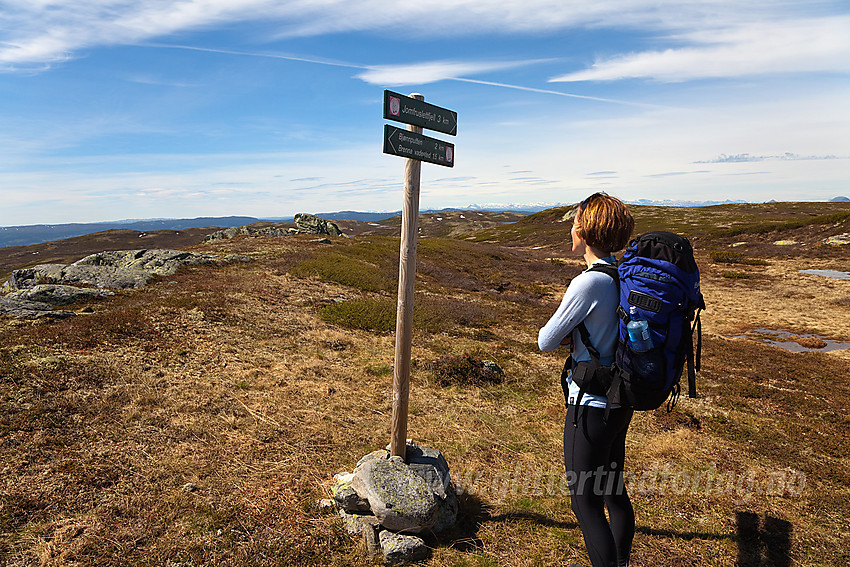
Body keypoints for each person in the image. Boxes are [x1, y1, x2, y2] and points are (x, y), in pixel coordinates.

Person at [538, 193, 636, 567]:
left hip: (590, 406)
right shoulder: (621, 274)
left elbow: (546, 340)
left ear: (586, 229)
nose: (570, 228)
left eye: (574, 221)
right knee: (614, 492)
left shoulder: (588, 283)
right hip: (619, 399)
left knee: (585, 503)